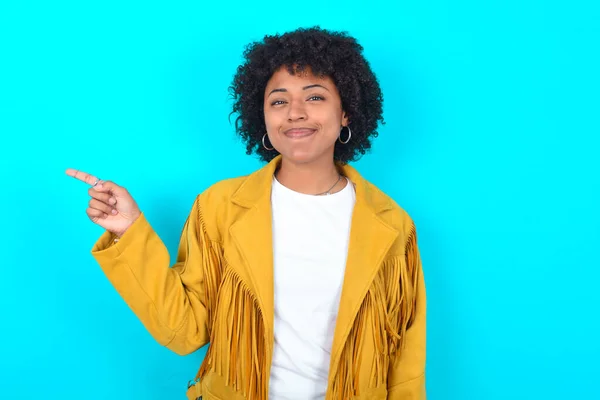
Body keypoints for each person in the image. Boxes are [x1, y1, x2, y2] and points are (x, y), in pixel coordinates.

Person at [66, 26, 426, 400]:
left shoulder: (392, 224)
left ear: (346, 113)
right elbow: (184, 330)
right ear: (264, 119)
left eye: (315, 97)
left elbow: (406, 361)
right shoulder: (220, 207)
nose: (296, 113)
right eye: (279, 101)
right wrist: (129, 232)